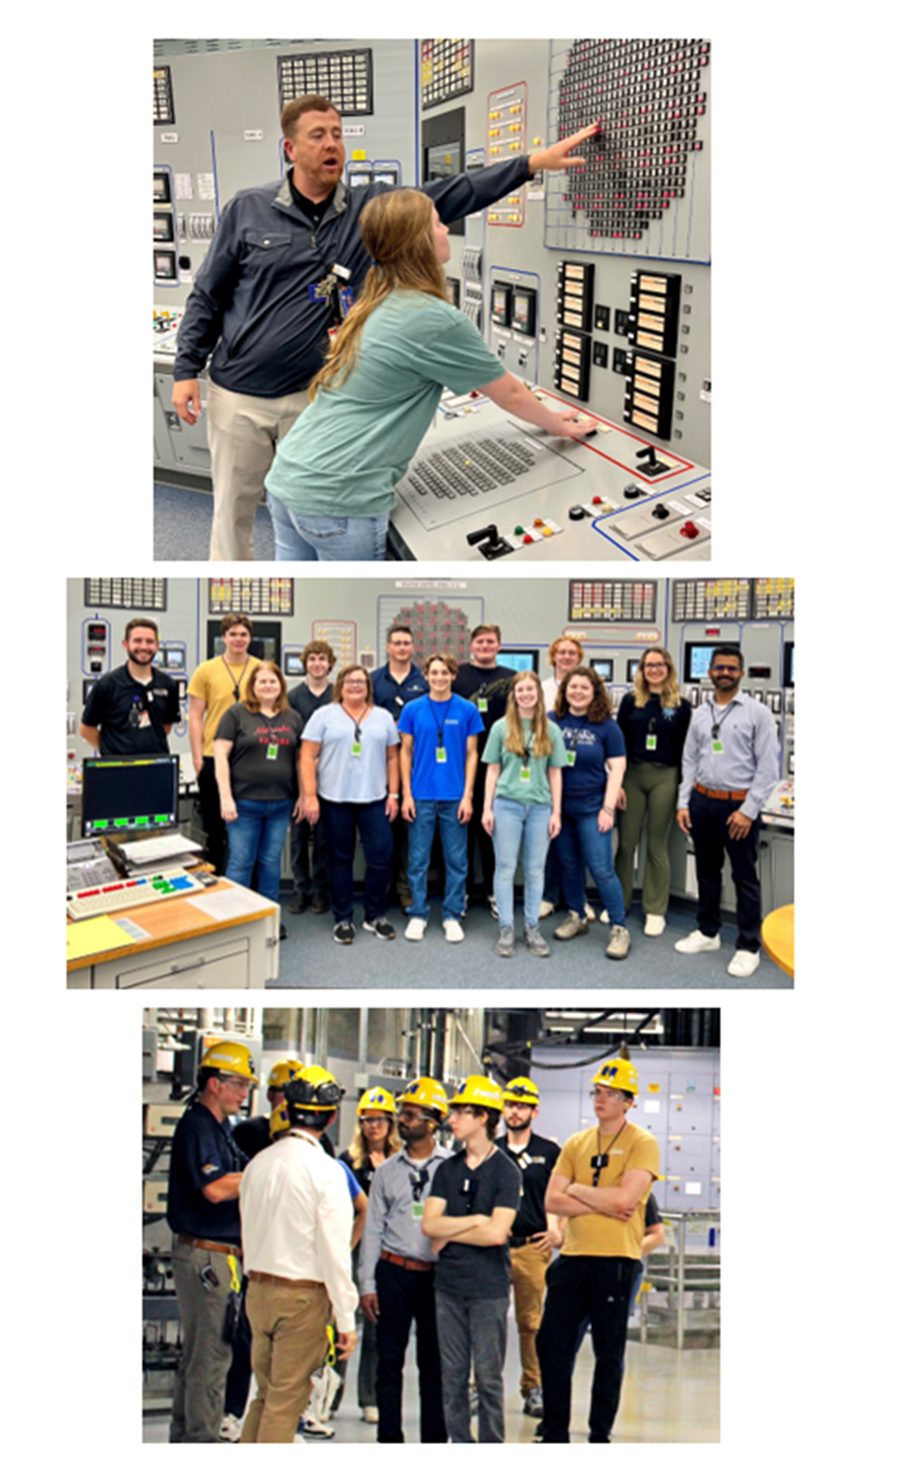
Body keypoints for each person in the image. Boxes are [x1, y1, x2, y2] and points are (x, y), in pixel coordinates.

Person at [172, 84, 600, 561]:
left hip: (313, 397)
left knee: (306, 499)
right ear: (290, 149)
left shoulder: (368, 209)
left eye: (336, 133)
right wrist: (186, 368)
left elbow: (451, 194)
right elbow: (208, 293)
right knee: (233, 518)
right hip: (242, 395)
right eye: (318, 135)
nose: (332, 143)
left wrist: (529, 165)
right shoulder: (246, 209)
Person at [265, 187, 597, 560]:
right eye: (438, 224)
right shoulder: (432, 318)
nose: (445, 230)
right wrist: (558, 424)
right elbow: (510, 394)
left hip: (289, 477)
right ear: (418, 241)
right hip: (339, 499)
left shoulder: (377, 299)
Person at [537, 1057, 660, 1443]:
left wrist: (576, 1189)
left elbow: (626, 1200)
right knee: (551, 1344)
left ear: (628, 1101)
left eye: (610, 1094)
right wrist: (598, 1201)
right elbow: (552, 1202)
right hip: (573, 1259)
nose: (601, 1099)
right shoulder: (577, 1143)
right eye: (598, 1092)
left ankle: (598, 1435)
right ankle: (555, 1431)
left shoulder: (643, 1143)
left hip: (616, 1263)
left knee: (608, 1353)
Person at [239, 1064, 359, 1443]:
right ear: (332, 1116)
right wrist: (345, 1318)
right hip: (301, 1299)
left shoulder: (257, 1165)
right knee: (286, 1401)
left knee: (265, 1394)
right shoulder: (326, 1171)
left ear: (286, 1110)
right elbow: (335, 1252)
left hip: (257, 1293)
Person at [166, 1040, 256, 1442]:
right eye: (239, 1085)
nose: (244, 1093)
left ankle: (186, 1438)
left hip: (213, 1255)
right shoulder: (198, 1126)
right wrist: (268, 1174)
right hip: (206, 1257)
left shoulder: (219, 1129)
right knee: (211, 1359)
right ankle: (200, 1442)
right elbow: (216, 1189)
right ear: (215, 1083)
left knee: (200, 1357)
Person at [423, 1076, 521, 1443]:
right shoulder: (447, 1170)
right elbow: (429, 1225)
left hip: (488, 1290)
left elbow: (497, 1234)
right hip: (448, 1287)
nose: (452, 1119)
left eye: (462, 1112)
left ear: (484, 1117)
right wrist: (476, 1220)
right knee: (452, 1376)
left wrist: (450, 1231)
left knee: (488, 1377)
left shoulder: (506, 1172)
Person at [674, 644, 780, 978]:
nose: (725, 673)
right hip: (702, 802)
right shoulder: (701, 714)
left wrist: (749, 811)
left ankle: (749, 946)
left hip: (739, 806)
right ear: (710, 672)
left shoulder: (758, 713)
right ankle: (708, 932)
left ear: (741, 673)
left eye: (731, 668)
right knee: (707, 870)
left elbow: (768, 767)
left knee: (744, 878)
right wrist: (683, 802)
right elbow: (689, 759)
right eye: (719, 668)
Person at [359, 1077, 452, 1443]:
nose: (403, 1120)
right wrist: (367, 1284)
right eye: (403, 1112)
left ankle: (434, 1442)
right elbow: (372, 1230)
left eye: (412, 1114)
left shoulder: (451, 1167)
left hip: (435, 1279)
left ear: (433, 1121)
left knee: (433, 1365)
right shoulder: (386, 1172)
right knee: (389, 1363)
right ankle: (389, 1442)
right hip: (393, 1272)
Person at [300, 664, 400, 944]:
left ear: (369, 687)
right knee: (339, 859)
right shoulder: (323, 716)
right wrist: (310, 796)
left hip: (375, 799)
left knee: (381, 858)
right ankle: (342, 918)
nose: (355, 685)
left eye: (361, 681)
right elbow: (307, 757)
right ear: (340, 685)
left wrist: (394, 794)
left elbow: (393, 758)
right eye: (349, 681)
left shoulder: (382, 717)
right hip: (335, 799)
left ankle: (375, 915)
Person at [213, 662, 305, 934]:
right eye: (262, 682)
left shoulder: (292, 717)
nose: (268, 686)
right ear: (252, 686)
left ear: (281, 686)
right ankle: (236, 923)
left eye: (273, 682)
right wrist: (225, 797)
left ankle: (267, 920)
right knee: (241, 862)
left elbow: (301, 761)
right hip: (244, 804)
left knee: (270, 861)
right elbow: (220, 757)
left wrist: (302, 795)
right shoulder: (236, 714)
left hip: (281, 803)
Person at [482, 671, 567, 958]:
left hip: (540, 808)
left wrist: (556, 812)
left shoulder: (551, 729)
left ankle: (532, 928)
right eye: (521, 690)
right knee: (505, 869)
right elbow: (492, 770)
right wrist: (486, 808)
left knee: (534, 871)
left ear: (538, 694)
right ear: (514, 695)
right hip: (506, 805)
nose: (526, 694)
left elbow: (555, 774)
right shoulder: (500, 727)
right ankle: (506, 928)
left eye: (531, 689)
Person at [399, 653, 483, 943]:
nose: (439, 678)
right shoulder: (412, 709)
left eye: (444, 673)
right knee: (418, 859)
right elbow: (405, 752)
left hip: (454, 795)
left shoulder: (467, 709)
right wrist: (406, 794)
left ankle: (452, 914)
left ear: (453, 675)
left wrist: (468, 796)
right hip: (420, 795)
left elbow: (473, 754)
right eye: (434, 673)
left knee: (457, 860)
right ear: (425, 675)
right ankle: (418, 913)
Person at [548, 666, 631, 960]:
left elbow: (617, 768)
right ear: (564, 690)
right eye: (573, 687)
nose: (578, 692)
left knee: (601, 869)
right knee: (569, 866)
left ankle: (619, 929)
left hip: (593, 807)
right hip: (560, 807)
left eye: (585, 687)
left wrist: (608, 809)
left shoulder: (608, 726)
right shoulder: (552, 720)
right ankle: (577, 916)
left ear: (595, 692)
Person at [494, 1078, 562, 1419]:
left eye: (521, 1106)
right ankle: (482, 1388)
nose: (514, 1111)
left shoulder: (549, 1153)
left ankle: (533, 1388)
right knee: (487, 1319)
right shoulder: (492, 1150)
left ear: (534, 1110)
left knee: (531, 1323)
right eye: (510, 1105)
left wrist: (557, 1230)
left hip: (531, 1248)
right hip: (493, 1248)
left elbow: (565, 1194)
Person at [614, 647, 692, 936]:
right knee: (626, 844)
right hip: (632, 775)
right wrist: (617, 782)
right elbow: (617, 744)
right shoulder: (629, 701)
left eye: (659, 665)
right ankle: (617, 904)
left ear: (668, 668)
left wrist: (684, 790)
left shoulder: (681, 705)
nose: (654, 669)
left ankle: (655, 910)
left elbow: (688, 750)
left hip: (666, 776)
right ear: (642, 670)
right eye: (649, 665)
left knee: (656, 845)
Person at [338, 1088, 402, 1425]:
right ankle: (329, 1397)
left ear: (390, 1123)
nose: (372, 1127)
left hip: (385, 1252)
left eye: (378, 1120)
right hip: (351, 1248)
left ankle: (370, 1398)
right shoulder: (345, 1163)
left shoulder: (401, 1164)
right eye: (366, 1121)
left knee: (377, 1325)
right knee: (341, 1319)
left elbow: (411, 1210)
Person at [453, 625, 520, 915]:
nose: (485, 645)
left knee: (494, 830)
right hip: (462, 762)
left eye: (490, 641)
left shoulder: (511, 678)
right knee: (462, 830)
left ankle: (495, 893)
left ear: (499, 645)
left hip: (501, 764)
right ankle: (462, 891)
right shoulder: (458, 675)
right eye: (479, 641)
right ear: (471, 646)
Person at [188, 615, 261, 871]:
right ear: (224, 638)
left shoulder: (261, 669)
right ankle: (214, 882)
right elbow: (195, 716)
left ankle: (248, 889)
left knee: (248, 827)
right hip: (212, 756)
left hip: (250, 759)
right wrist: (197, 759)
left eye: (243, 634)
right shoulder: (206, 670)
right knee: (213, 827)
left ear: (250, 637)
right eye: (233, 634)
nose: (238, 639)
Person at [371, 626, 429, 909]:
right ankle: (381, 887)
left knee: (409, 831)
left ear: (413, 647)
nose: (402, 647)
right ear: (388, 647)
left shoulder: (425, 681)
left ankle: (405, 888)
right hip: (378, 765)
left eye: (407, 642)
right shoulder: (373, 680)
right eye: (397, 643)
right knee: (381, 829)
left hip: (415, 764)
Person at [539, 634, 593, 922]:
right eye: (562, 652)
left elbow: (602, 734)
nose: (567, 657)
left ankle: (579, 900)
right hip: (548, 774)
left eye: (572, 652)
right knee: (552, 839)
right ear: (553, 656)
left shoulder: (590, 688)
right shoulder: (543, 688)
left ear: (579, 656)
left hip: (582, 777)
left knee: (579, 846)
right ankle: (549, 896)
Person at [80, 618, 179, 756]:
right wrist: (109, 752)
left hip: (156, 767)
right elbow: (86, 729)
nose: (144, 647)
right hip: (118, 770)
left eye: (150, 641)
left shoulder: (168, 685)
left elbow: (166, 727)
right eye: (137, 640)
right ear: (125, 644)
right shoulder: (107, 685)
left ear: (157, 646)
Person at [287, 640, 335, 916]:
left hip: (329, 778)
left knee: (323, 839)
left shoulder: (337, 696)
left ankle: (319, 890)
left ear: (330, 663)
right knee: (298, 836)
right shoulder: (293, 698)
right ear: (305, 663)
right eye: (313, 659)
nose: (317, 664)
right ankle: (300, 889)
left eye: (322, 659)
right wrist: (303, 791)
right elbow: (293, 744)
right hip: (299, 777)